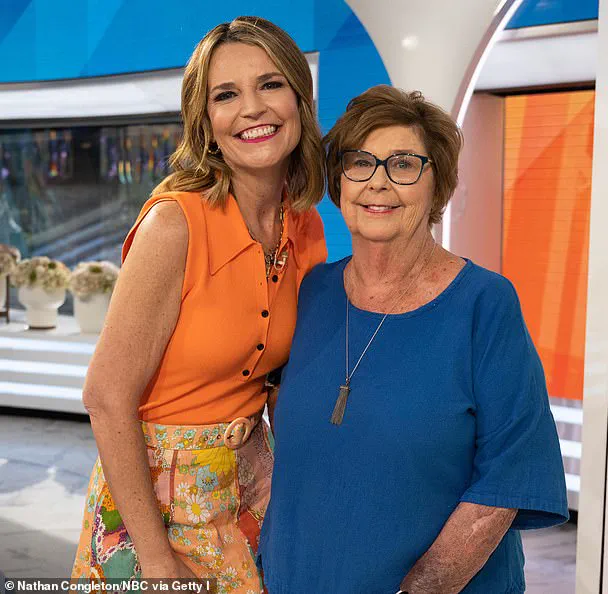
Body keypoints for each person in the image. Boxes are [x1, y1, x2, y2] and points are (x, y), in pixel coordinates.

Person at [258, 85, 568, 594]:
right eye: (360, 162)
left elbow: (507, 478)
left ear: (436, 184)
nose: (377, 182)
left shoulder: (485, 304)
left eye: (403, 164)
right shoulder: (311, 292)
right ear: (339, 182)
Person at [71, 16, 327, 593]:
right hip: (152, 504)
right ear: (205, 121)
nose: (252, 108)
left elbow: (282, 382)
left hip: (250, 490)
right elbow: (105, 397)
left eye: (270, 84)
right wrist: (158, 564)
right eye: (225, 95)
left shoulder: (304, 224)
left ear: (299, 98)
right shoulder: (174, 225)